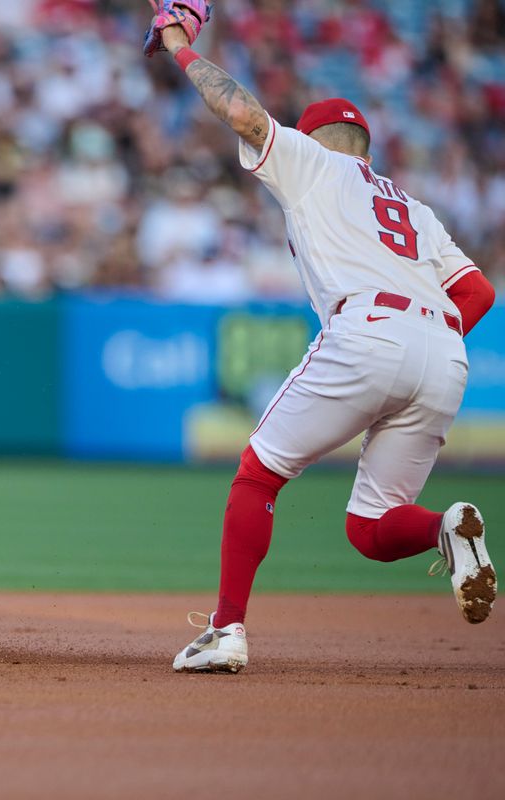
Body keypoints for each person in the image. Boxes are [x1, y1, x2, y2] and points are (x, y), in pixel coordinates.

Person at [142, 3, 498, 673]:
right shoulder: (412, 207)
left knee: (258, 475)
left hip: (368, 328)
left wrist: (178, 44)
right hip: (445, 351)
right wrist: (418, 354)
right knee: (371, 528)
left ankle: (226, 630)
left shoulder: (311, 163)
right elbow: (478, 294)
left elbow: (243, 115)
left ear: (313, 137)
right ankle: (443, 528)